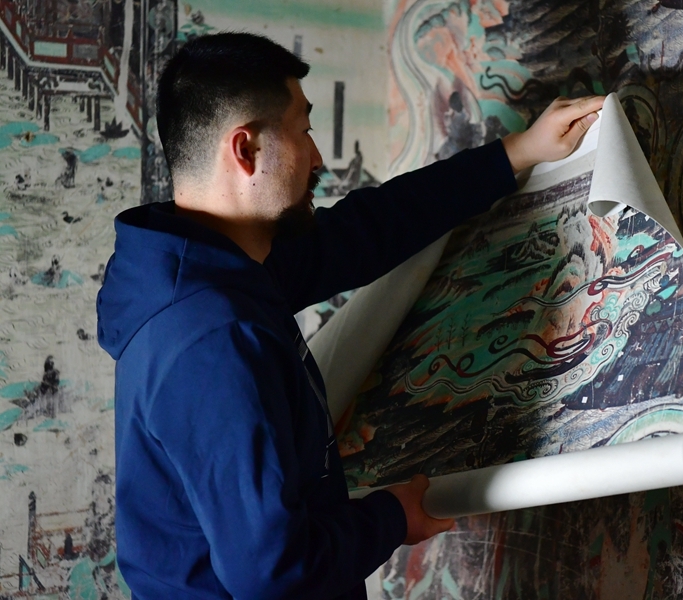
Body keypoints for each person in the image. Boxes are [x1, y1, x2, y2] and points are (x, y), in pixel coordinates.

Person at [96, 32, 603, 599]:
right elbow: (272, 572)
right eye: (304, 130)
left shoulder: (210, 267)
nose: (317, 157)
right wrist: (391, 518)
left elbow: (364, 232)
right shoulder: (209, 336)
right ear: (245, 150)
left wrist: (518, 153)